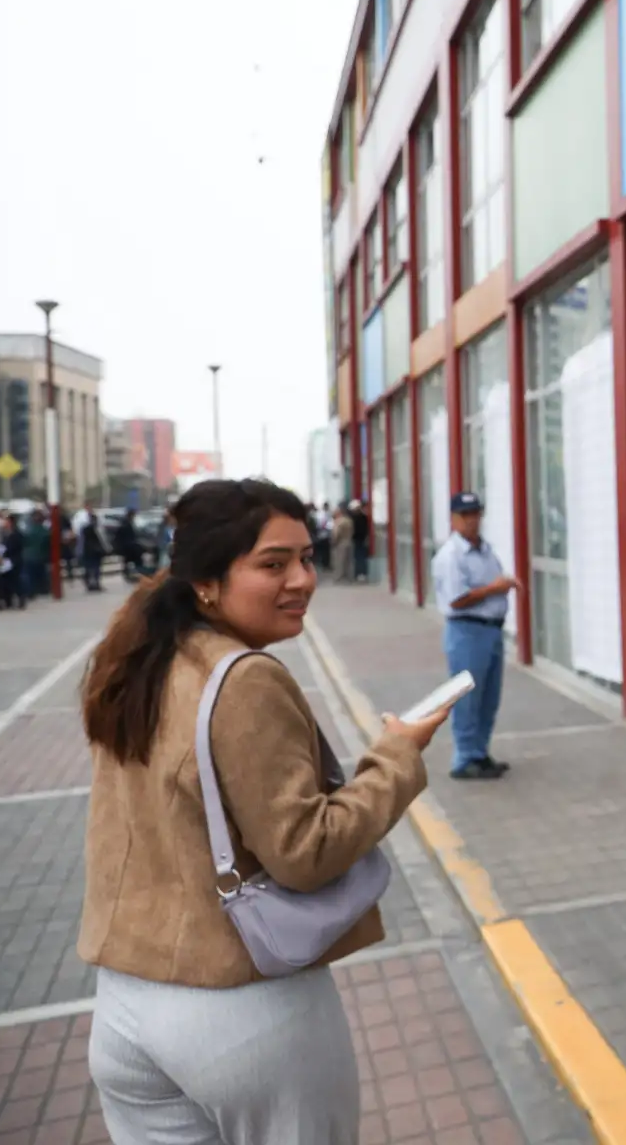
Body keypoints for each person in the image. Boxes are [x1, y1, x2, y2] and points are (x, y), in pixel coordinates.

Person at [77, 478, 451, 1142]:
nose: (302, 580)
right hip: (240, 1009)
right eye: (272, 564)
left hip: (125, 1010)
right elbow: (304, 853)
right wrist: (396, 756)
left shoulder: (138, 659)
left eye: (306, 558)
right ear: (206, 583)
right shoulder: (245, 678)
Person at [430, 492, 517, 780]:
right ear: (453, 519)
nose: (471, 520)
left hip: (490, 630)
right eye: (465, 515)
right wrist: (495, 588)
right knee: (468, 698)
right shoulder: (451, 556)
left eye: (475, 514)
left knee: (489, 697)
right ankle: (464, 757)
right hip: (467, 630)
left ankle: (480, 753)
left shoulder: (485, 550)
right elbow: (457, 599)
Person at [0, 514, 26, 609]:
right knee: (6, 581)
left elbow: (15, 547)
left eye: (6, 521)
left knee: (15, 581)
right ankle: (8, 601)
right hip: (5, 561)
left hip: (14, 560)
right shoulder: (5, 534)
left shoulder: (16, 534)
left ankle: (21, 599)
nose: (4, 523)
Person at [23, 509, 51, 595]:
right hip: (40, 557)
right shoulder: (45, 532)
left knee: (30, 576)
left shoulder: (27, 531)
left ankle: (31, 591)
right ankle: (43, 589)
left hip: (27, 556)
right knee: (41, 574)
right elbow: (47, 546)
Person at [330, 506, 354, 584]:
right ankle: (349, 577)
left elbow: (336, 533)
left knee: (339, 561)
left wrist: (333, 541)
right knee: (348, 561)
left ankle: (339, 577)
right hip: (349, 541)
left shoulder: (338, 521)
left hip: (340, 543)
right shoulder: (349, 520)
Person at [349, 500, 371, 582]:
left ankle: (360, 573)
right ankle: (361, 574)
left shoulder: (355, 518)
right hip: (360, 539)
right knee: (360, 557)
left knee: (359, 558)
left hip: (358, 540)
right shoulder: (363, 517)